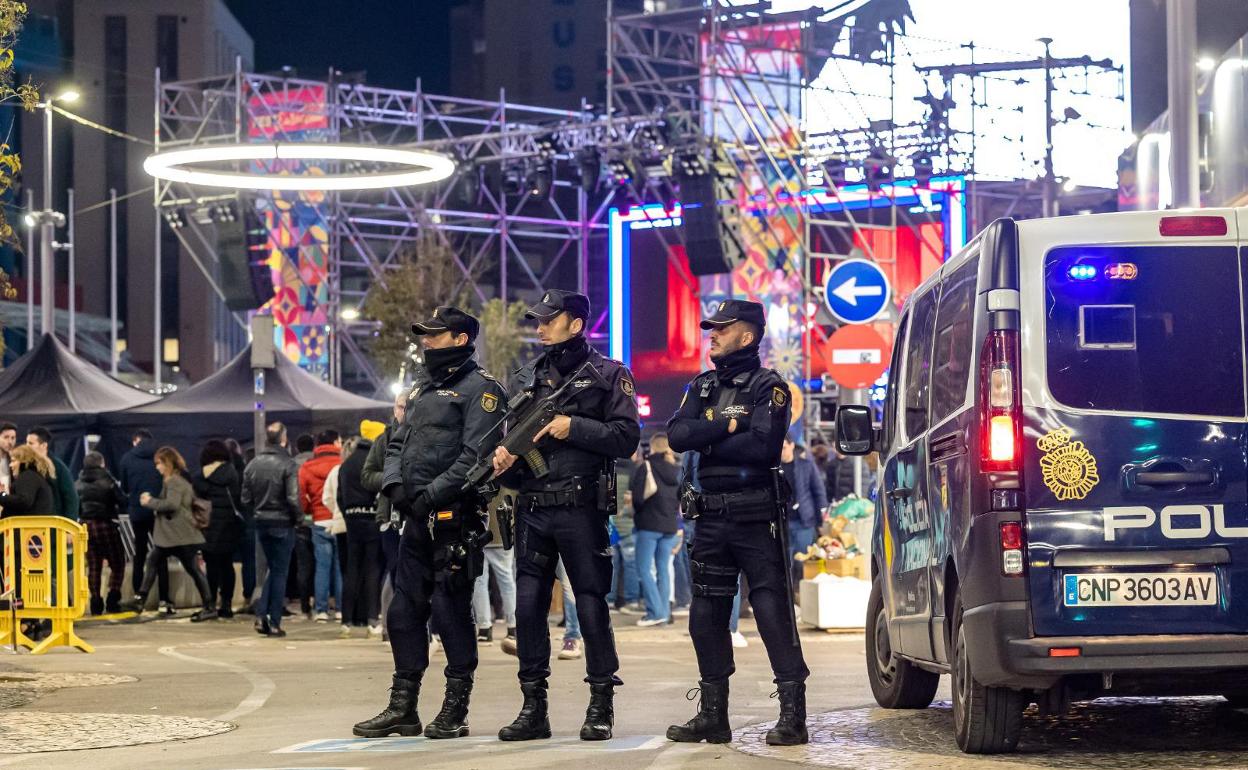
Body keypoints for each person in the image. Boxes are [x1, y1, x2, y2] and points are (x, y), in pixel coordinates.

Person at [491, 289, 640, 743]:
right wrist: (504, 459)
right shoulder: (526, 378)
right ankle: (533, 707)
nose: (539, 327)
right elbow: (510, 438)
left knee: (591, 605)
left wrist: (573, 426)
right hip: (533, 507)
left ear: (576, 324)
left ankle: (601, 704)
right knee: (529, 609)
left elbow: (626, 437)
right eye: (537, 319)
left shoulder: (609, 375)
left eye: (548, 320)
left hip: (581, 508)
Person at [355, 305, 506, 741]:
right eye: (424, 334)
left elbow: (475, 457)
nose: (426, 341)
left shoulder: (483, 390)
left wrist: (430, 495)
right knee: (403, 612)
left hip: (454, 520)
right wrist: (395, 487)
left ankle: (454, 710)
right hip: (417, 520)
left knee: (451, 612)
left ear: (461, 338)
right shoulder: (421, 390)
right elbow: (395, 443)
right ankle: (403, 708)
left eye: (434, 335)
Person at [666, 299, 809, 746]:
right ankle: (713, 716)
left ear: (746, 336)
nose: (713, 335)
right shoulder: (702, 386)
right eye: (713, 328)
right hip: (709, 519)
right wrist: (726, 430)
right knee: (705, 617)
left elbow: (763, 448)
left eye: (722, 329)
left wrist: (706, 437)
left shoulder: (770, 387)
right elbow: (676, 435)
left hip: (755, 517)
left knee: (771, 613)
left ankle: (793, 716)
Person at [131, 447, 215, 622]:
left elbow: (172, 505)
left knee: (160, 562)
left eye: (159, 463)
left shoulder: (174, 482)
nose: (157, 467)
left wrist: (149, 502)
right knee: (189, 568)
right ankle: (209, 606)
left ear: (167, 463)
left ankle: (140, 600)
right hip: (179, 535)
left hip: (177, 535)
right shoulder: (178, 480)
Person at [242, 422, 301, 637]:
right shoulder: (288, 464)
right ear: (284, 438)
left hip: (261, 523)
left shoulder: (252, 465)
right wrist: (299, 518)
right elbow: (293, 498)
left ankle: (261, 615)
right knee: (279, 571)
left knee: (271, 570)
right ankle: (274, 621)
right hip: (283, 523)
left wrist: (258, 512)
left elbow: (245, 498)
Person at [330, 422, 383, 637]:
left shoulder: (346, 464)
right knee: (372, 569)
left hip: (352, 520)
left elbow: (339, 496)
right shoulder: (374, 462)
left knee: (351, 570)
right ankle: (372, 619)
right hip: (371, 519)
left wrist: (348, 513)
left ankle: (346, 621)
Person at [362, 391, 405, 640]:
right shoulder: (383, 439)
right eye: (399, 407)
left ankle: (413, 627)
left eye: (406, 407)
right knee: (395, 571)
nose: (402, 412)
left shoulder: (423, 434)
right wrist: (392, 479)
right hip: (389, 518)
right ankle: (392, 628)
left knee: (408, 574)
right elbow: (367, 476)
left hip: (417, 514)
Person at [630, 434, 681, 627]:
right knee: (663, 571)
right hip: (670, 526)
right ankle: (664, 613)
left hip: (649, 524)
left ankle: (654, 612)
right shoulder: (676, 469)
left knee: (643, 568)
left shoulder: (647, 466)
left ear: (652, 448)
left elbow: (638, 498)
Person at [194, 440, 244, 618]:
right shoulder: (232, 473)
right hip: (229, 525)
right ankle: (227, 604)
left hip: (208, 525)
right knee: (227, 565)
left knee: (211, 566)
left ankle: (210, 603)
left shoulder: (200, 476)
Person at [119, 429, 168, 607]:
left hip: (137, 510)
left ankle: (138, 597)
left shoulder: (127, 458)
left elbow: (124, 486)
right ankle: (165, 599)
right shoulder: (160, 457)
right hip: (158, 511)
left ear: (135, 440)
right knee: (161, 553)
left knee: (139, 554)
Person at [76, 451, 128, 615]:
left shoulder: (77, 483)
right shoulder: (109, 482)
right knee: (118, 563)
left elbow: (76, 507)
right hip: (106, 524)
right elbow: (123, 501)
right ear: (102, 464)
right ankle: (113, 599)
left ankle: (95, 602)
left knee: (94, 566)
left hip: (85, 526)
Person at [300, 430, 344, 622]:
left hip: (318, 521)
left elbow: (301, 496)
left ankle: (321, 610)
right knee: (341, 567)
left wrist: (310, 509)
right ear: (335, 442)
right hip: (339, 520)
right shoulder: (342, 465)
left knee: (322, 567)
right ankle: (342, 609)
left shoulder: (306, 467)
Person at [782, 436, 828, 589]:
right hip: (782, 520)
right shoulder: (774, 468)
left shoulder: (806, 464)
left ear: (792, 445)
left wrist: (822, 514)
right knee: (784, 560)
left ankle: (799, 592)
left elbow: (818, 490)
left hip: (804, 520)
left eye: (784, 447)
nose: (781, 452)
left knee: (803, 559)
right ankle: (787, 594)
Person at [472, 491, 517, 647]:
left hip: (481, 533)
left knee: (480, 581)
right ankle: (513, 626)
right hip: (501, 532)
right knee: (506, 581)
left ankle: (485, 628)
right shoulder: (508, 469)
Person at [26, 427, 78, 521]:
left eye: (31, 443)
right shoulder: (27, 466)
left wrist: (69, 527)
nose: (26, 446)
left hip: (54, 523)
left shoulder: (58, 467)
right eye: (26, 442)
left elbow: (71, 497)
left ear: (44, 445)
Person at [291, 432, 317, 617]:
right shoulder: (319, 462)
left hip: (300, 521)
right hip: (321, 518)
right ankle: (323, 601)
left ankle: (304, 604)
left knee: (303, 564)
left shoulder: (292, 465)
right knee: (324, 564)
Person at [0, 445, 54, 517]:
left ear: (24, 460)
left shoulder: (28, 476)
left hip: (26, 527)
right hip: (35, 526)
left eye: (13, 461)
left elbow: (24, 501)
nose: (10, 465)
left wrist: (2, 496)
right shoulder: (36, 477)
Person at [0, 422, 17, 492]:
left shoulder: (16, 461)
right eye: (6, 437)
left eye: (13, 438)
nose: (10, 442)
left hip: (8, 500)